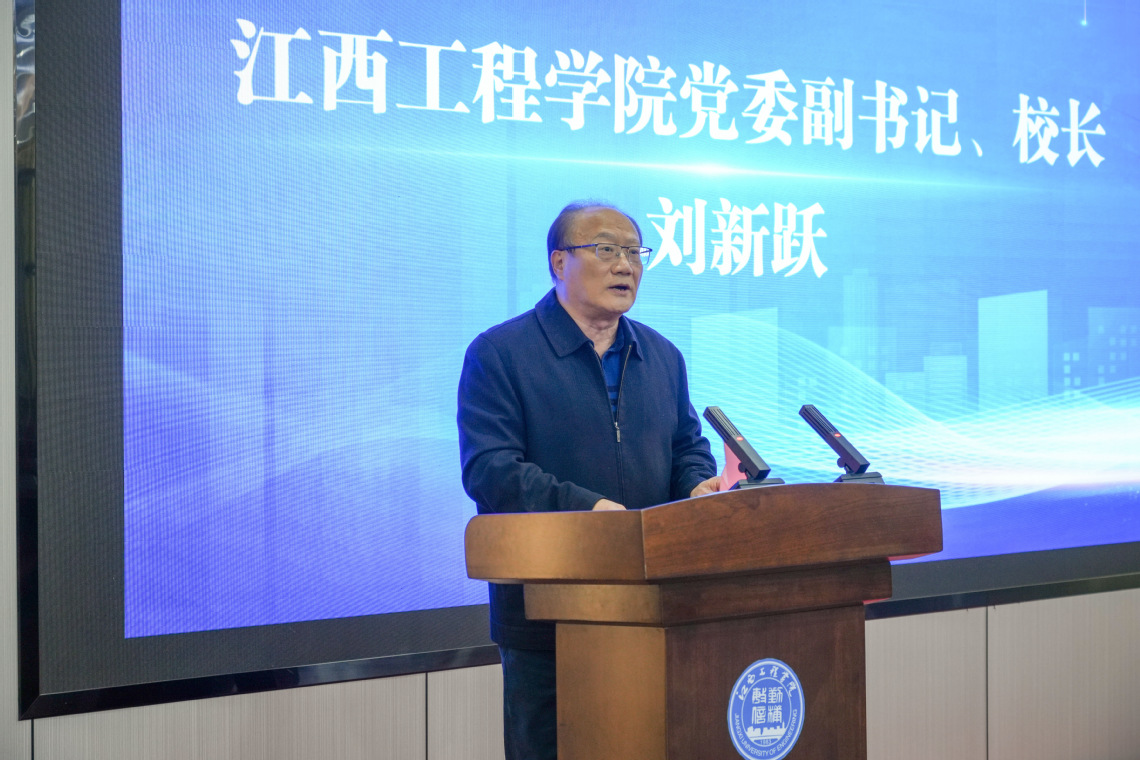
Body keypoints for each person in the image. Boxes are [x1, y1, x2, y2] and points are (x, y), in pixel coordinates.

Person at [457, 201, 720, 760]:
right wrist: (591, 510)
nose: (625, 265)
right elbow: (491, 470)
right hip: (547, 619)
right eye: (605, 249)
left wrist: (697, 486)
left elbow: (686, 448)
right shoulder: (501, 354)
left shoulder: (661, 356)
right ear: (559, 262)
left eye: (635, 252)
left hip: (654, 609)